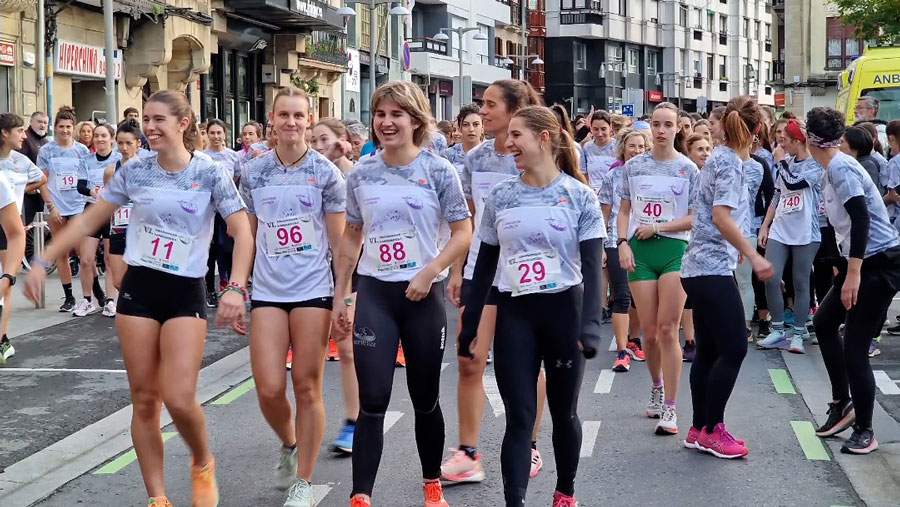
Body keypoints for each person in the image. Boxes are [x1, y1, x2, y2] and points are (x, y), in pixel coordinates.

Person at [24, 89, 253, 507]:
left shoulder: (209, 172)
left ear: (183, 124)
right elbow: (92, 219)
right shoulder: (134, 171)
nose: (149, 127)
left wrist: (236, 285)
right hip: (139, 288)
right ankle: (158, 497)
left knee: (180, 397)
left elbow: (241, 230)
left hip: (185, 290)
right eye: (146, 118)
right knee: (145, 397)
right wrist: (43, 260)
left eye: (158, 119)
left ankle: (202, 461)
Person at [331, 81, 473, 507]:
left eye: (396, 114)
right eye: (380, 114)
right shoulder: (362, 173)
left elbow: (463, 232)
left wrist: (431, 272)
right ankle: (361, 496)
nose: (387, 122)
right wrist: (342, 294)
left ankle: (432, 484)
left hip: (421, 297)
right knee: (373, 398)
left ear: (416, 120)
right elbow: (352, 235)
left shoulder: (438, 170)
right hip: (376, 291)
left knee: (425, 397)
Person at [459, 105, 603, 507]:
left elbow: (593, 269)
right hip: (515, 313)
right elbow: (484, 266)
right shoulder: (503, 195)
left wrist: (590, 326)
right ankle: (515, 502)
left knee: (563, 414)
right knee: (520, 419)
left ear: (544, 138)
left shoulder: (579, 196)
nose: (508, 144)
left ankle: (565, 491)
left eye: (517, 135)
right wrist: (471, 325)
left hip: (564, 313)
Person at [238, 87, 346, 506]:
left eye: (299, 116)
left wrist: (344, 295)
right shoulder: (255, 171)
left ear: (309, 118)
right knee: (267, 387)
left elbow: (339, 244)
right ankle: (289, 443)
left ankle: (303, 480)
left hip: (313, 289)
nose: (291, 123)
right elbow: (246, 233)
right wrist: (236, 285)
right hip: (267, 289)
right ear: (272, 119)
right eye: (284, 115)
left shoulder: (325, 173)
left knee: (306, 386)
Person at [443, 79, 547, 485]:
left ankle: (530, 444)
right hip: (483, 274)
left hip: (529, 275)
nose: (482, 112)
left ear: (514, 109)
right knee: (469, 358)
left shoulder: (541, 156)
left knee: (525, 365)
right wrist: (457, 271)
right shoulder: (476, 159)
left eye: (489, 105)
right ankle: (468, 452)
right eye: (482, 105)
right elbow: (465, 222)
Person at [681, 96, 775, 459]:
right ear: (755, 132)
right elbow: (722, 216)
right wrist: (751, 253)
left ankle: (699, 427)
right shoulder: (732, 164)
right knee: (735, 346)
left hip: (703, 266)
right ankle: (712, 429)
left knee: (709, 350)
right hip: (709, 268)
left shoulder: (719, 158)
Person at [806, 106, 900, 455]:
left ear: (811, 139)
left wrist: (853, 274)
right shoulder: (830, 168)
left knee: (855, 345)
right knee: (824, 322)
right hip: (859, 260)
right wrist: (841, 267)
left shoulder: (842, 168)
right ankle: (841, 402)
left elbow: (860, 218)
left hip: (878, 262)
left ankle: (866, 428)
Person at [617, 101, 699, 435]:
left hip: (675, 250)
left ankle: (671, 407)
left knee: (668, 328)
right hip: (640, 252)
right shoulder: (633, 167)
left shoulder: (689, 169)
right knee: (649, 333)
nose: (661, 130)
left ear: (678, 127)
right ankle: (656, 385)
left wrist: (661, 227)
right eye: (656, 124)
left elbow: (696, 216)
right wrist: (621, 242)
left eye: (668, 124)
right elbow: (624, 210)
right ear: (649, 128)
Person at [308, 116, 361, 453]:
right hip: (315, 272)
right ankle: (306, 425)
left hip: (353, 269)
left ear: (342, 141)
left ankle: (355, 422)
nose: (317, 147)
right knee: (324, 352)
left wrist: (342, 160)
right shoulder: (307, 173)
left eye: (323, 140)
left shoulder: (352, 173)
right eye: (313, 141)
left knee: (347, 348)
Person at [756, 119, 824, 354]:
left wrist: (781, 161)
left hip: (806, 230)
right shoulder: (786, 162)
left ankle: (797, 332)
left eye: (786, 138)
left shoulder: (816, 165)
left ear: (798, 141)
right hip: (781, 228)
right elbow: (778, 193)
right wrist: (765, 225)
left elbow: (794, 183)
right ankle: (777, 330)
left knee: (800, 281)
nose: (782, 141)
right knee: (771, 277)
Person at [600, 128, 650, 372]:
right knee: (621, 295)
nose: (637, 151)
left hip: (645, 240)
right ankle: (621, 351)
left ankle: (634, 339)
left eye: (641, 147)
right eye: (633, 146)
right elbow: (605, 212)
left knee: (639, 299)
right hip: (615, 241)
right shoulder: (613, 176)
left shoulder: (651, 174)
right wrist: (600, 245)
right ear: (623, 148)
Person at [0, 113, 46, 363]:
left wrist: (20, 193)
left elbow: (41, 178)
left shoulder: (20, 160)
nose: (24, 135)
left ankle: (2, 338)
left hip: (9, 223)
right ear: (4, 133)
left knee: (4, 286)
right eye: (18, 130)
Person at [37, 106, 91, 312]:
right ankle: (69, 297)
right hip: (56, 206)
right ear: (55, 127)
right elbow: (42, 181)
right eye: (61, 126)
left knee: (83, 251)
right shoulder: (46, 151)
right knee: (62, 252)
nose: (65, 130)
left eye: (69, 127)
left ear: (74, 128)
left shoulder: (82, 151)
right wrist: (51, 206)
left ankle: (94, 293)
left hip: (77, 205)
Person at [74, 123, 120, 317]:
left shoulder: (118, 158)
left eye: (104, 136)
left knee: (110, 259)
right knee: (85, 259)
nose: (100, 139)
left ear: (111, 138)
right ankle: (87, 300)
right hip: (92, 209)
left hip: (112, 211)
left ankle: (110, 301)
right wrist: (93, 191)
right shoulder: (86, 160)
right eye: (96, 136)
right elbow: (80, 185)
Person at [105, 119, 141, 290]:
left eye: (129, 143)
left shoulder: (146, 169)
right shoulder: (111, 170)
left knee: (137, 279)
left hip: (141, 231)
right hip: (118, 228)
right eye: (120, 143)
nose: (124, 147)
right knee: (118, 281)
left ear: (138, 143)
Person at [17, 112, 50, 228]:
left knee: (40, 226)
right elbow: (20, 166)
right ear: (31, 122)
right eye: (39, 122)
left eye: (45, 122)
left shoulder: (46, 142)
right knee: (28, 225)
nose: (42, 125)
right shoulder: (25, 139)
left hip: (41, 191)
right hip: (27, 193)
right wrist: (28, 185)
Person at [441, 104, 483, 180]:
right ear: (460, 128)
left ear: (482, 127)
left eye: (476, 124)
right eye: (466, 125)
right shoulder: (448, 155)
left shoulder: (491, 154)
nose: (471, 129)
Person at [581, 111, 617, 193]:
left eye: (603, 129)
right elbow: (584, 174)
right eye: (595, 129)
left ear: (610, 127)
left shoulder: (618, 147)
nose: (600, 133)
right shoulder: (587, 148)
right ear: (591, 128)